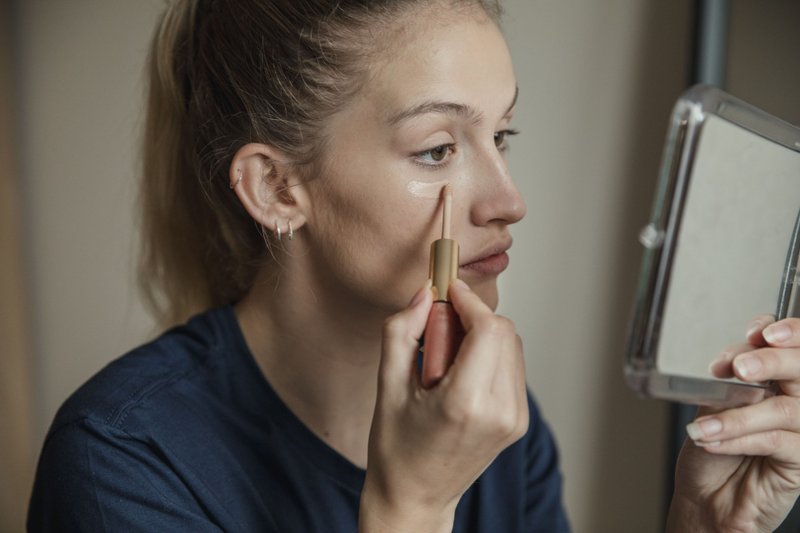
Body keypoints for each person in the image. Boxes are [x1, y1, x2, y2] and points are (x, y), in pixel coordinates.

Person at [26, 1, 800, 531]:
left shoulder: (495, 423)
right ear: (276, 188)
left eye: (501, 136)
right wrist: (413, 507)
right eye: (437, 149)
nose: (510, 201)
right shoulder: (122, 459)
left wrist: (705, 525)